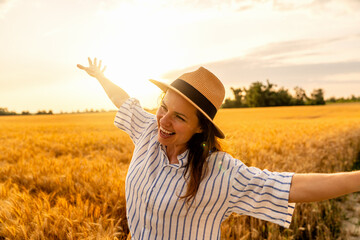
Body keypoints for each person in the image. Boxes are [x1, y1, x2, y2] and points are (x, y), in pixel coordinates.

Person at [77, 58, 360, 239]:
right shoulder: (148, 131)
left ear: (201, 127)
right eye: (164, 106)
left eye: (179, 116)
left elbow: (290, 187)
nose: (163, 120)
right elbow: (124, 100)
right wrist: (100, 77)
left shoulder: (219, 172)